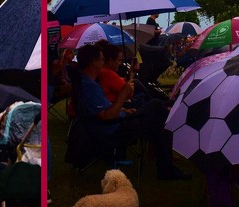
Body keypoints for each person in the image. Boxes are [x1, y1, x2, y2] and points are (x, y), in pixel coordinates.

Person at [74, 43, 191, 179]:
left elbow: (105, 110)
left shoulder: (85, 82)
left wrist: (123, 110)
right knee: (156, 107)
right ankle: (166, 166)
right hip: (113, 131)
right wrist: (123, 95)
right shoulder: (89, 87)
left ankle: (166, 165)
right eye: (101, 59)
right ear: (92, 62)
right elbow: (106, 116)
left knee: (157, 115)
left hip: (113, 123)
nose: (103, 62)